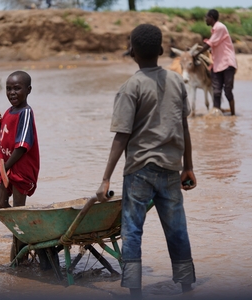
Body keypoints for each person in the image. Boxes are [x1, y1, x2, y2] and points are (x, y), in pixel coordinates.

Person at [96, 24, 197, 298]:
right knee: (177, 228)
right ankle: (187, 285)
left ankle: (135, 291)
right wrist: (188, 166)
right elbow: (184, 128)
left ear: (132, 52)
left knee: (132, 231)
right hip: (170, 169)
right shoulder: (176, 82)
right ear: (162, 51)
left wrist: (106, 179)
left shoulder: (131, 87)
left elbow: (121, 136)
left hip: (139, 171)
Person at [0, 70, 41, 263]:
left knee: (18, 210)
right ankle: (24, 235)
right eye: (8, 89)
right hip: (7, 168)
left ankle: (20, 256)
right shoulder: (9, 112)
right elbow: (1, 135)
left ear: (28, 90)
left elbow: (22, 147)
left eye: (17, 88)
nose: (12, 93)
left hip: (20, 169)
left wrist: (5, 169)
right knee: (0, 203)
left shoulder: (26, 113)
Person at [195, 9, 237, 116]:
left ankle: (233, 115)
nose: (205, 19)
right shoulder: (215, 30)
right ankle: (216, 115)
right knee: (216, 91)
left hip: (227, 63)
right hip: (217, 64)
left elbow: (210, 43)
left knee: (227, 91)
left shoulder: (220, 27)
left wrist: (196, 54)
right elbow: (213, 46)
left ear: (211, 17)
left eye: (206, 17)